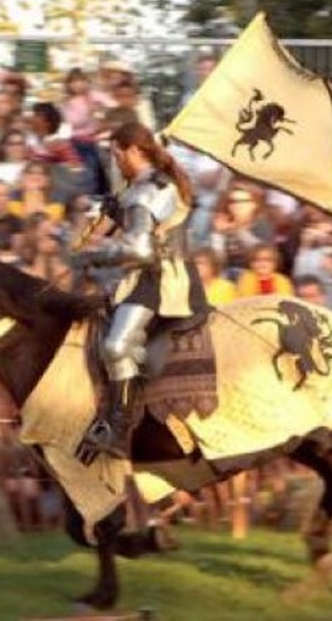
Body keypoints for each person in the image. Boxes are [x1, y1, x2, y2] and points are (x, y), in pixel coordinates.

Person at [71, 122, 207, 460]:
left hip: (161, 279)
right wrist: (94, 220)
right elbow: (95, 229)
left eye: (118, 153)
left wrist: (94, 256)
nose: (115, 161)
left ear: (134, 149)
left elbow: (140, 250)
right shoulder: (137, 189)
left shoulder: (152, 189)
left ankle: (117, 428)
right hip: (142, 278)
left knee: (116, 345)